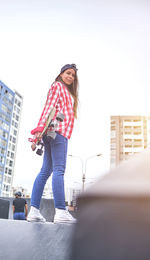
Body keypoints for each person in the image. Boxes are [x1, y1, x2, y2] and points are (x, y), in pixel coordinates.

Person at [27, 64, 79, 224]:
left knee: (46, 170)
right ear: (61, 74)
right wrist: (38, 132)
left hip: (53, 132)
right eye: (67, 73)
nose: (70, 76)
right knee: (58, 170)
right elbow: (48, 108)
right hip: (58, 131)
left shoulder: (68, 91)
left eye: (73, 75)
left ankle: (34, 211)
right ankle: (61, 211)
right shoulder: (58, 86)